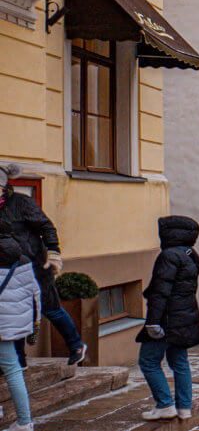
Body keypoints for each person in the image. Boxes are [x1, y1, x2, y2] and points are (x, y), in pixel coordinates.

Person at [0, 164, 85, 367]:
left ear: (3, 187)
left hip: (36, 266)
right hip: (8, 270)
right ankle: (20, 360)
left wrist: (54, 253)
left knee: (50, 308)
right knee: (16, 312)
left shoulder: (21, 202)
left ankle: (76, 345)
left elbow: (46, 226)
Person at [137, 216, 199, 421]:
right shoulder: (191, 255)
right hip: (185, 317)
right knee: (180, 361)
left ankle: (165, 405)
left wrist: (153, 322)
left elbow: (160, 291)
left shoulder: (169, 256)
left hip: (168, 318)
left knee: (148, 360)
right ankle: (184, 407)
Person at [0, 234, 41, 430]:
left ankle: (24, 422)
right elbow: (35, 292)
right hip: (13, 323)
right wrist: (36, 320)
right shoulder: (22, 259)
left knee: (11, 369)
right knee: (13, 370)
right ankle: (24, 423)